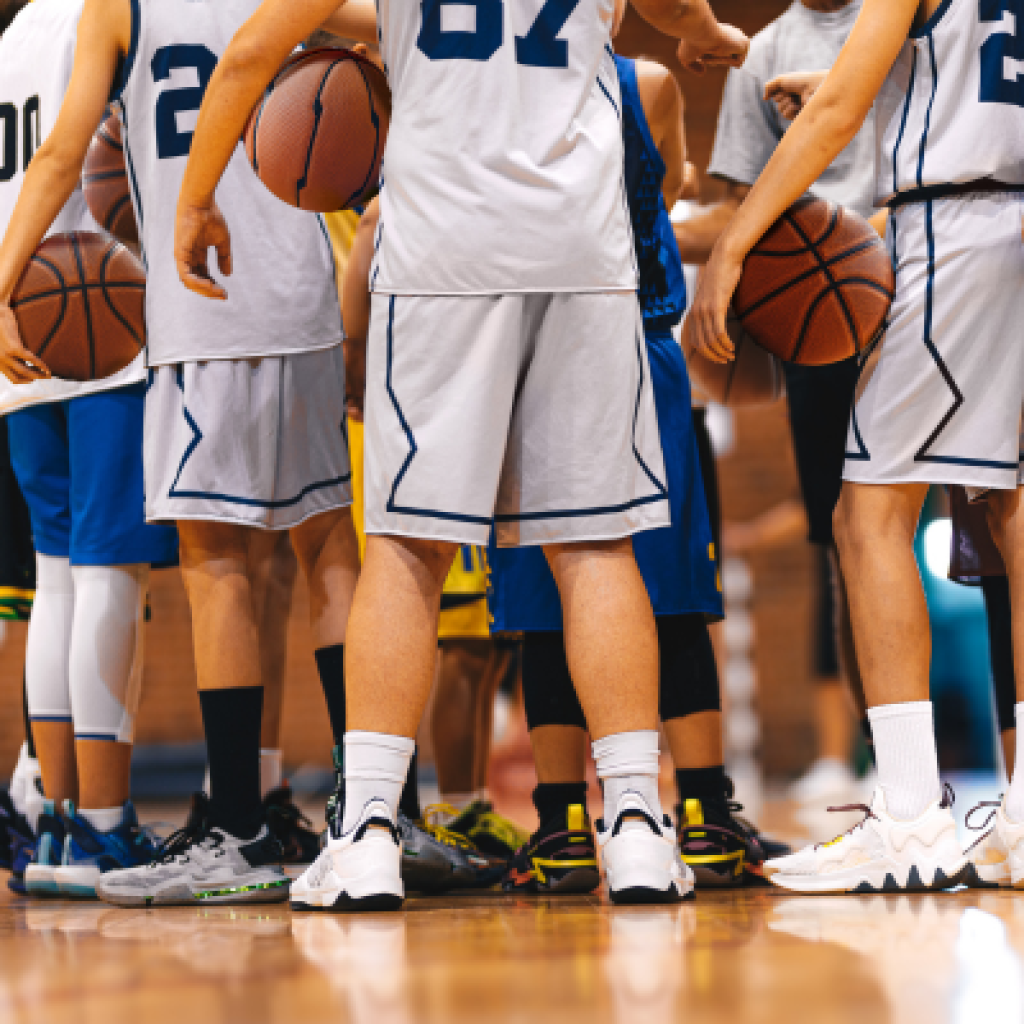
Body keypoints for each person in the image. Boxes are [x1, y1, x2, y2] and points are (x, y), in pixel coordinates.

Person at [177, 0, 748, 910]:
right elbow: (670, 8)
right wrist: (705, 30)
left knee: (407, 551)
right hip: (579, 252)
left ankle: (364, 833)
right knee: (595, 548)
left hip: (444, 250)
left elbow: (254, 47)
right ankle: (638, 829)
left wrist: (198, 194)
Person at [0, 0, 365, 906]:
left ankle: (237, 828)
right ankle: (371, 810)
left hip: (202, 307)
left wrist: (2, 279)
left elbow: (61, 156)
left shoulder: (117, 4)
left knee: (216, 565)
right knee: (329, 551)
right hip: (304, 295)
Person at [690, 0, 1024, 892]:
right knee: (1015, 516)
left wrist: (734, 245)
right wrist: (864, 89)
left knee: (866, 514)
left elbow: (837, 117)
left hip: (956, 233)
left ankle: (910, 818)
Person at [490, 48, 777, 893]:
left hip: (518, 347)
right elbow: (668, 193)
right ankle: (703, 816)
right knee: (672, 594)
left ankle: (561, 826)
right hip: (631, 343)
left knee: (545, 596)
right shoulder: (644, 84)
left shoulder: (477, 87)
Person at [676, 0, 880, 806]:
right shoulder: (764, 51)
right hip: (825, 323)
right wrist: (631, 221)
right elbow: (734, 209)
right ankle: (891, 774)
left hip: (926, 282)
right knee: (852, 545)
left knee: (993, 533)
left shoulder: (901, 20)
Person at [0, 0, 181, 899]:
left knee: (56, 574)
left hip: (20, 332)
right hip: (98, 319)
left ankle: (60, 822)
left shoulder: (9, 37)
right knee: (110, 575)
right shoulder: (100, 17)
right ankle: (105, 825)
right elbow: (68, 157)